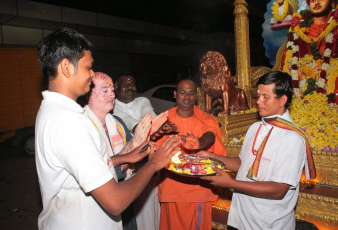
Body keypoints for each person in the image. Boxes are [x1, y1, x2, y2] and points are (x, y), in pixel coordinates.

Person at [35, 27, 180, 230]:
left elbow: (89, 167)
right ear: (67, 68)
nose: (92, 74)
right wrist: (153, 165)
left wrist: (125, 156)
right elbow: (116, 201)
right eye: (88, 68)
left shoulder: (56, 111)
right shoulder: (68, 122)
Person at [198, 71, 316, 229]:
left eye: (265, 97)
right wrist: (210, 156)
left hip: (267, 224)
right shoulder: (256, 127)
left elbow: (279, 189)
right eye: (258, 95)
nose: (258, 101)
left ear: (283, 100)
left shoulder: (291, 139)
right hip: (241, 219)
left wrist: (232, 183)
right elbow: (243, 163)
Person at [84, 72, 159, 230]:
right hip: (95, 208)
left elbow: (129, 159)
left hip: (124, 195)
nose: (111, 94)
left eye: (112, 89)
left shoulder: (115, 123)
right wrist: (138, 141)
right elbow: (101, 169)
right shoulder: (81, 125)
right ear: (87, 93)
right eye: (105, 90)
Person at [157, 79, 227, 230]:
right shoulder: (164, 120)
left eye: (191, 93)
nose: (187, 97)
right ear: (175, 94)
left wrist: (199, 144)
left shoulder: (206, 118)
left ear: (196, 96)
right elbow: (152, 147)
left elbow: (210, 134)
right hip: (171, 189)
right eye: (182, 92)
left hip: (198, 192)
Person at [113, 73, 164, 230]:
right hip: (130, 170)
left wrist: (153, 123)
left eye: (132, 84)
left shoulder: (142, 100)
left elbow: (148, 113)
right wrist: (143, 128)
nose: (130, 87)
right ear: (115, 89)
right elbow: (127, 121)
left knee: (157, 212)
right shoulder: (112, 105)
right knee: (142, 217)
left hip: (151, 163)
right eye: (125, 85)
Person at [281, 0, 338, 97]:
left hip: (330, 72)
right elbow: (289, 55)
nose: (316, 2)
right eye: (312, 0)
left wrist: (326, 67)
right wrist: (295, 68)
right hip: (302, 75)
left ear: (332, 2)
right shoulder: (299, 26)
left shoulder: (335, 26)